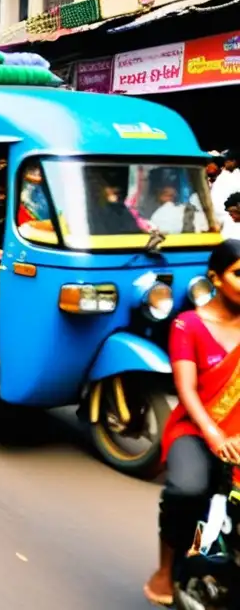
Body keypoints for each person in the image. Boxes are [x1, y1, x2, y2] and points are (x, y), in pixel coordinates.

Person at [144, 239, 240, 606]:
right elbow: (186, 390)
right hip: (198, 430)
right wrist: (215, 435)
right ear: (214, 277)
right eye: (239, 274)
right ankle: (166, 571)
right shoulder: (188, 324)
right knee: (185, 491)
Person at [212, 150, 240, 227]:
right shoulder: (222, 177)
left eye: (227, 160)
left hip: (230, 219)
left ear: (234, 161)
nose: (225, 163)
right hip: (220, 218)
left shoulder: (236, 176)